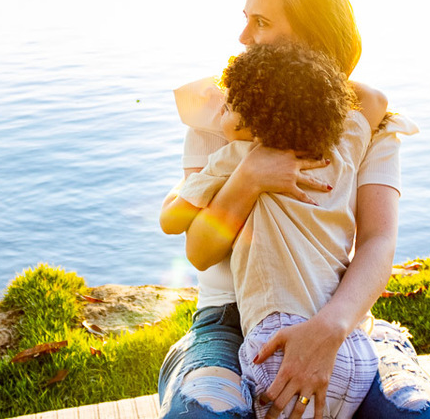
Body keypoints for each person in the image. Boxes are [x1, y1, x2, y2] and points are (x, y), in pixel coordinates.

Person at [158, 0, 430, 419]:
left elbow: (379, 239)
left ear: (312, 34)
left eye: (261, 23)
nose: (242, 39)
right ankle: (189, 360)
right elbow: (197, 251)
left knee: (424, 417)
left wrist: (328, 329)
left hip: (335, 317)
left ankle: (383, 344)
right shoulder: (224, 115)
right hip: (228, 320)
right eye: (245, 21)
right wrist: (251, 174)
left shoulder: (369, 125)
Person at [165, 42, 386, 418]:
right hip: (351, 353)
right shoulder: (340, 149)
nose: (221, 107)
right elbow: (375, 99)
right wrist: (306, 80)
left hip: (274, 346)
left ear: (252, 123)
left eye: (230, 106)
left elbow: (170, 221)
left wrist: (193, 188)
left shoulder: (234, 157)